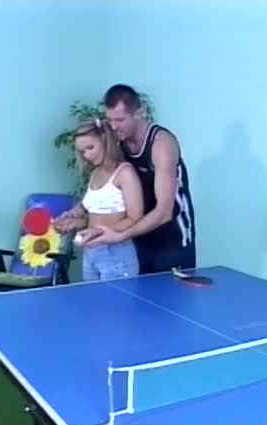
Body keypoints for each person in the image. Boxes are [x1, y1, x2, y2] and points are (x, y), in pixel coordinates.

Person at [82, 84, 196, 274]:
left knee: (170, 292)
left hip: (172, 238)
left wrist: (120, 235)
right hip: (138, 236)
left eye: (120, 120)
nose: (113, 126)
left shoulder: (161, 144)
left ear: (139, 113)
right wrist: (78, 215)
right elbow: (107, 189)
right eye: (109, 120)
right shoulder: (118, 142)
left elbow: (164, 212)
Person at [53, 118, 144, 281]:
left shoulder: (125, 173)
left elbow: (135, 218)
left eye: (90, 148)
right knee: (93, 298)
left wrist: (98, 231)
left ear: (105, 140)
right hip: (91, 253)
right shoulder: (95, 173)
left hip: (116, 254)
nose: (87, 155)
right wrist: (71, 219)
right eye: (82, 152)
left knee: (114, 299)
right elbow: (91, 213)